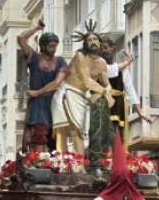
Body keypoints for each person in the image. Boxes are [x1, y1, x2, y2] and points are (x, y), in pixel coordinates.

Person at [51, 25, 114, 156]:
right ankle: (63, 162)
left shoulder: (102, 63)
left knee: (78, 131)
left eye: (95, 39)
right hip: (67, 92)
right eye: (90, 40)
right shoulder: (80, 56)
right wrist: (104, 93)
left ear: (100, 42)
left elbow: (107, 85)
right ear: (85, 44)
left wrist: (101, 92)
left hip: (81, 96)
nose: (93, 42)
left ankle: (79, 163)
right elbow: (86, 81)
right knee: (65, 131)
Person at [17, 20, 67, 152]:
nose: (54, 49)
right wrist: (36, 28)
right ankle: (39, 161)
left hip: (53, 101)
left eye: (55, 46)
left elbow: (56, 83)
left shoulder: (60, 61)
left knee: (55, 136)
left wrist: (37, 92)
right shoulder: (34, 58)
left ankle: (56, 161)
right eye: (51, 46)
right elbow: (21, 38)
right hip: (38, 104)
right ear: (43, 45)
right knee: (40, 133)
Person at [100, 38, 151, 140]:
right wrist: (126, 63)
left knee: (118, 136)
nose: (107, 50)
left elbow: (130, 90)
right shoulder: (96, 66)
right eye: (104, 48)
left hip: (118, 107)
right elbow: (109, 71)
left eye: (109, 48)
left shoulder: (123, 70)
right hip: (101, 105)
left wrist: (139, 111)